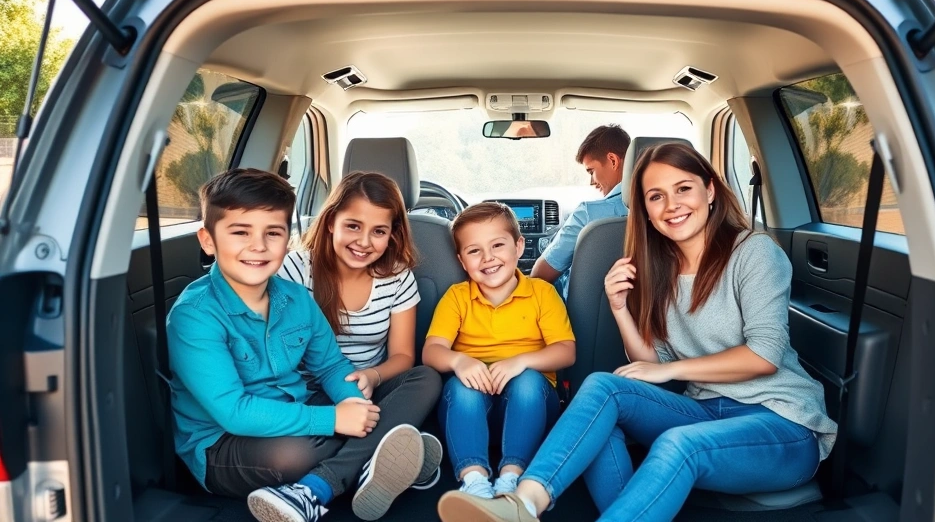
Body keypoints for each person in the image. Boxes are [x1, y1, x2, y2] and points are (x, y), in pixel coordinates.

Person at [436, 142, 838, 522]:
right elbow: (653, 363)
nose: (672, 205)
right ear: (644, 208)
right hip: (705, 411)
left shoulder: (753, 252)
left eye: (683, 188)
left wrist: (670, 372)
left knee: (678, 444)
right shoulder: (659, 268)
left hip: (781, 423)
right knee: (601, 392)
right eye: (656, 196)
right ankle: (523, 502)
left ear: (710, 190)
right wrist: (619, 308)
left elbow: (764, 357)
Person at [166, 169, 427, 522]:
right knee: (301, 452)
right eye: (240, 232)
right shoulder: (194, 316)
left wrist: (352, 402)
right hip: (224, 443)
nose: (258, 246)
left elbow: (331, 366)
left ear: (287, 238)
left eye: (272, 233)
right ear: (208, 240)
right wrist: (335, 417)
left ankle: (315, 488)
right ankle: (378, 457)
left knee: (417, 384)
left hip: (297, 406)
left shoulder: (294, 297)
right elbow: (234, 412)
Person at [277, 172, 444, 496]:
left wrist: (373, 376)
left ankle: (321, 484)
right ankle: (386, 456)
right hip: (310, 392)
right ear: (330, 222)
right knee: (309, 441)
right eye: (353, 225)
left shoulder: (397, 278)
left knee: (427, 378)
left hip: (372, 389)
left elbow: (403, 357)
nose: (364, 242)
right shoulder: (296, 268)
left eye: (378, 231)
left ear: (392, 235)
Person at [422, 202, 576, 501]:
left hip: (532, 408)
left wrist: (521, 362)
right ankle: (474, 480)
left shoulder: (541, 293)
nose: (488, 258)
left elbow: (566, 351)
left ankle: (512, 479)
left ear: (519, 246)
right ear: (462, 261)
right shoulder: (457, 297)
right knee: (460, 385)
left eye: (497, 245)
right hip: (473, 411)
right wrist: (459, 360)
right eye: (474, 251)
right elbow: (432, 351)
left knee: (529, 382)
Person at [530, 124, 630, 297]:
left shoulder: (588, 214)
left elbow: (540, 276)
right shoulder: (659, 210)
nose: (592, 182)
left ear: (613, 161)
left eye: (591, 171)